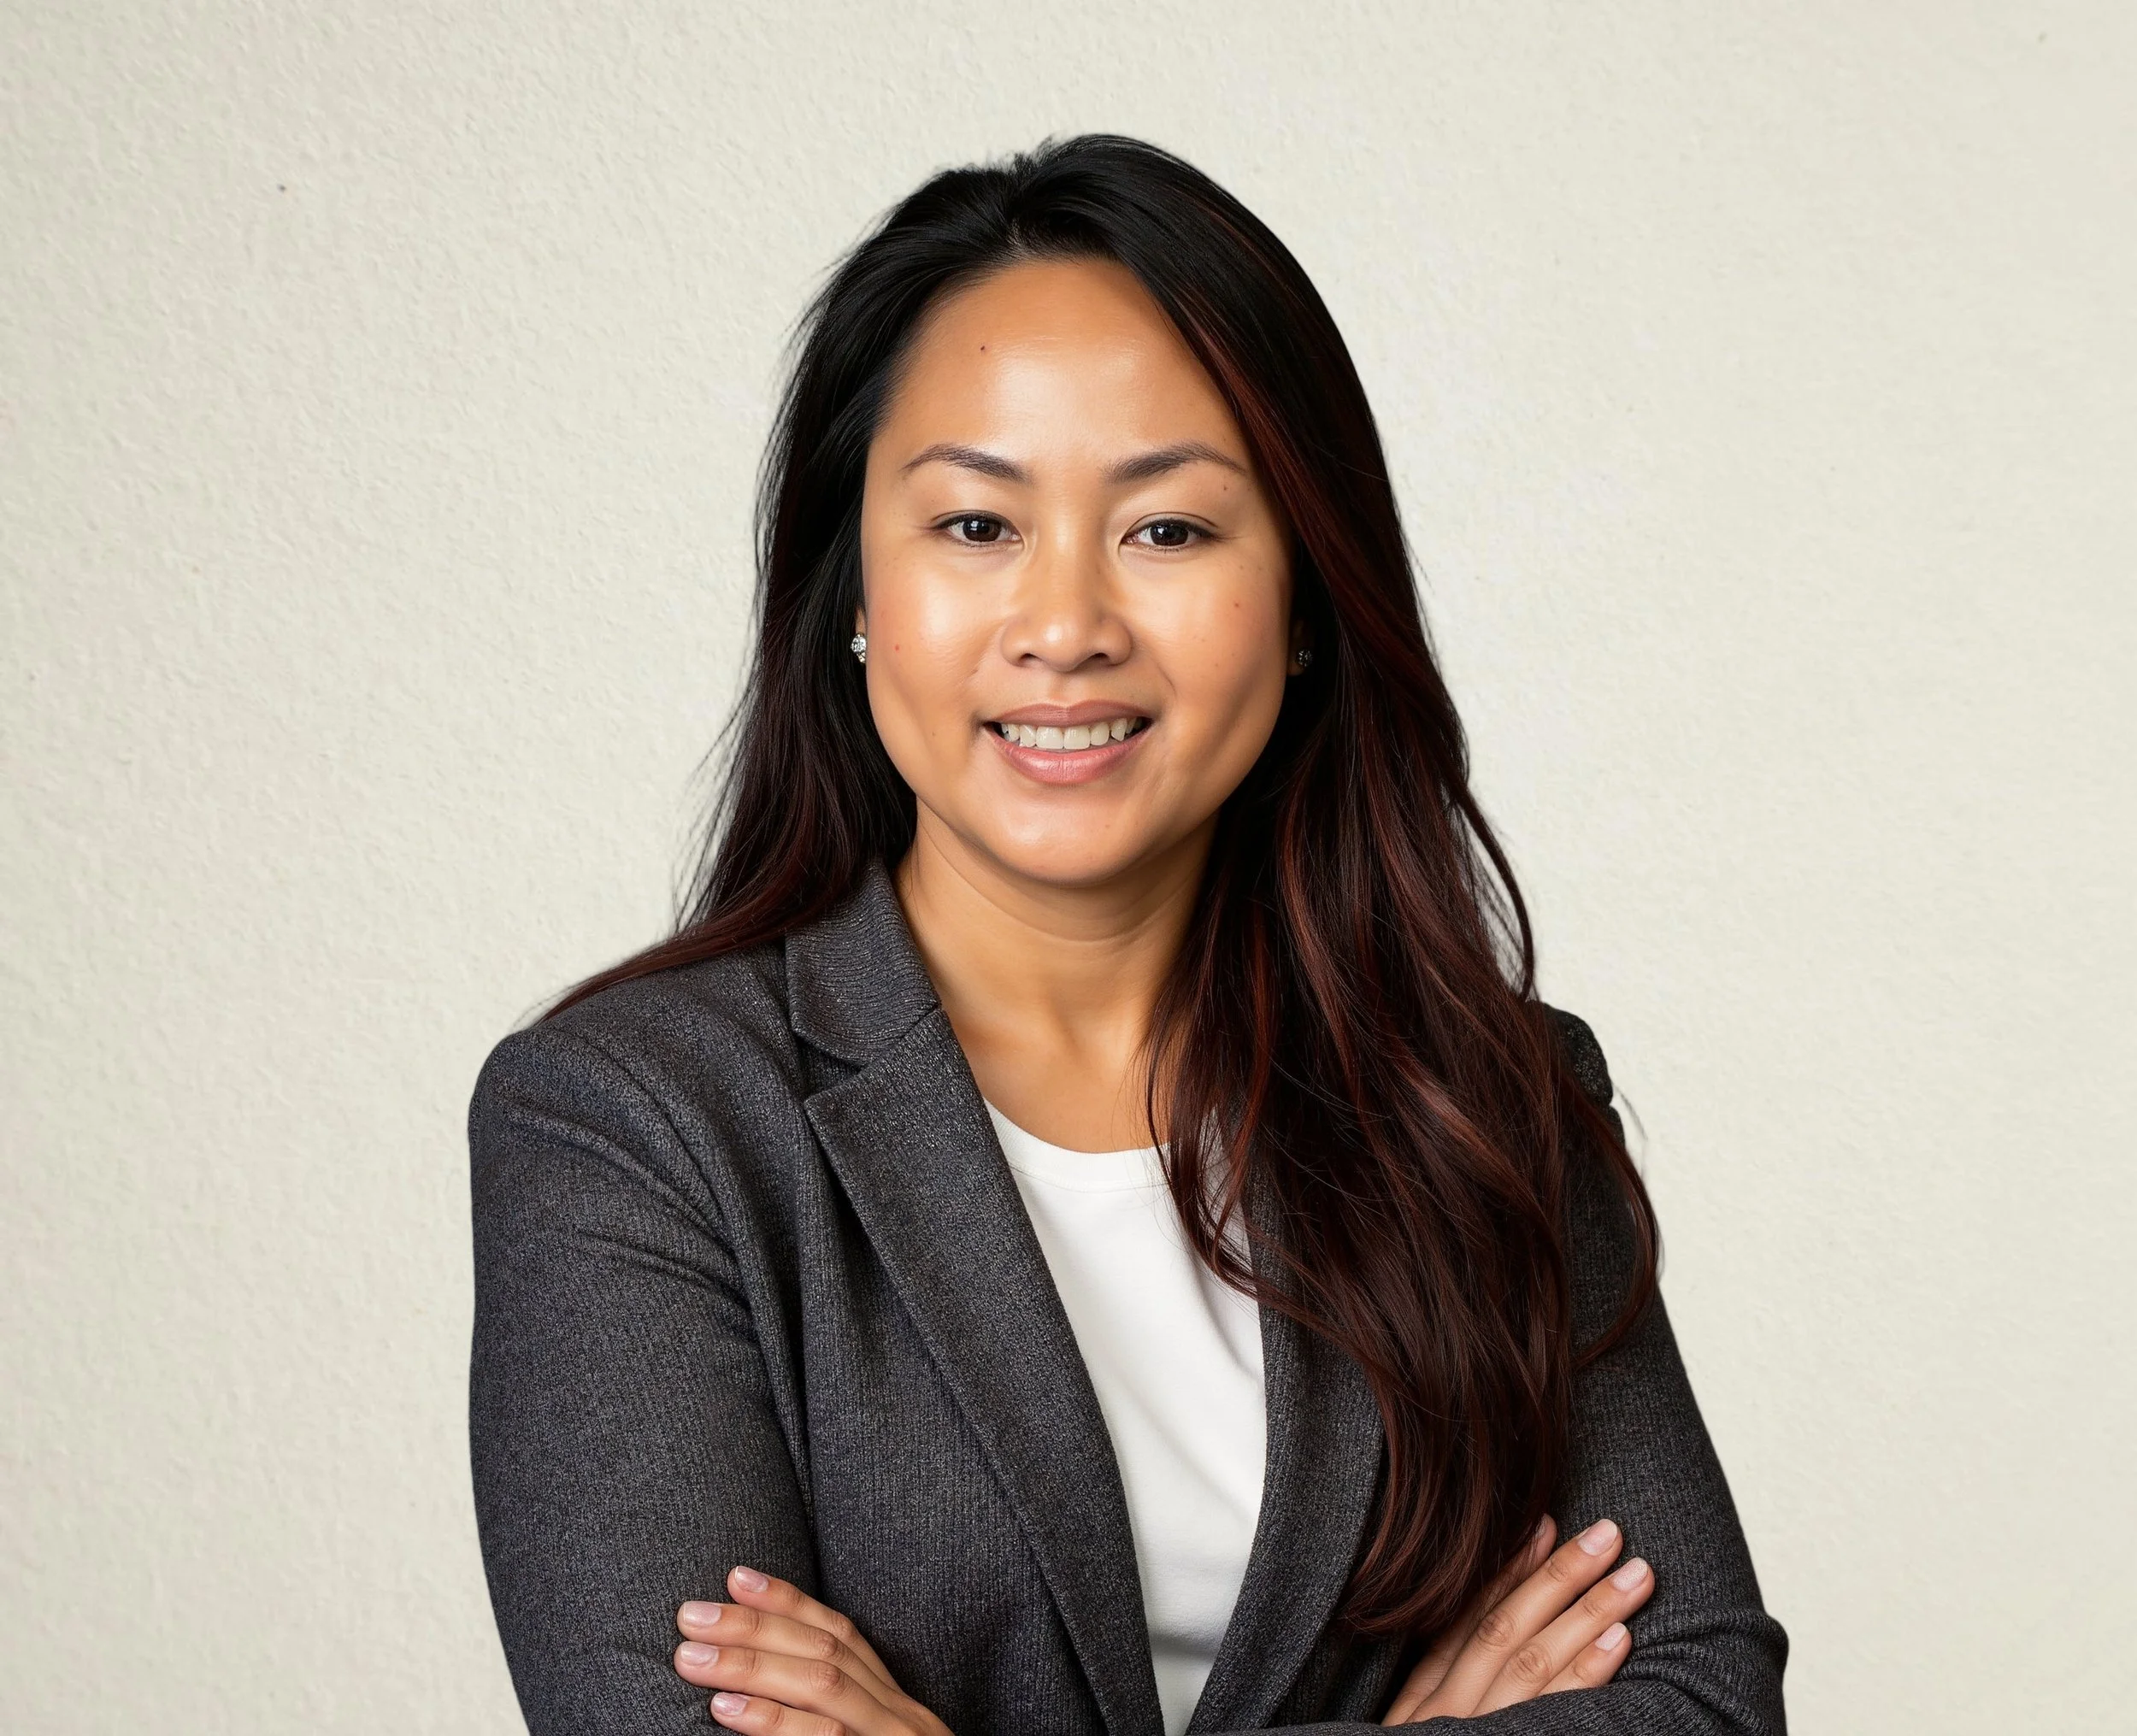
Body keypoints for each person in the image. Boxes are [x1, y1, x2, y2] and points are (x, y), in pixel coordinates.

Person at [467, 134, 1787, 1736]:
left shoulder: (1488, 1098)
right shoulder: (637, 1125)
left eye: (1168, 529)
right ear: (853, 590)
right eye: (975, 527)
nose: (1068, 623)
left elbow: (1701, 1703)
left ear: (1304, 593)